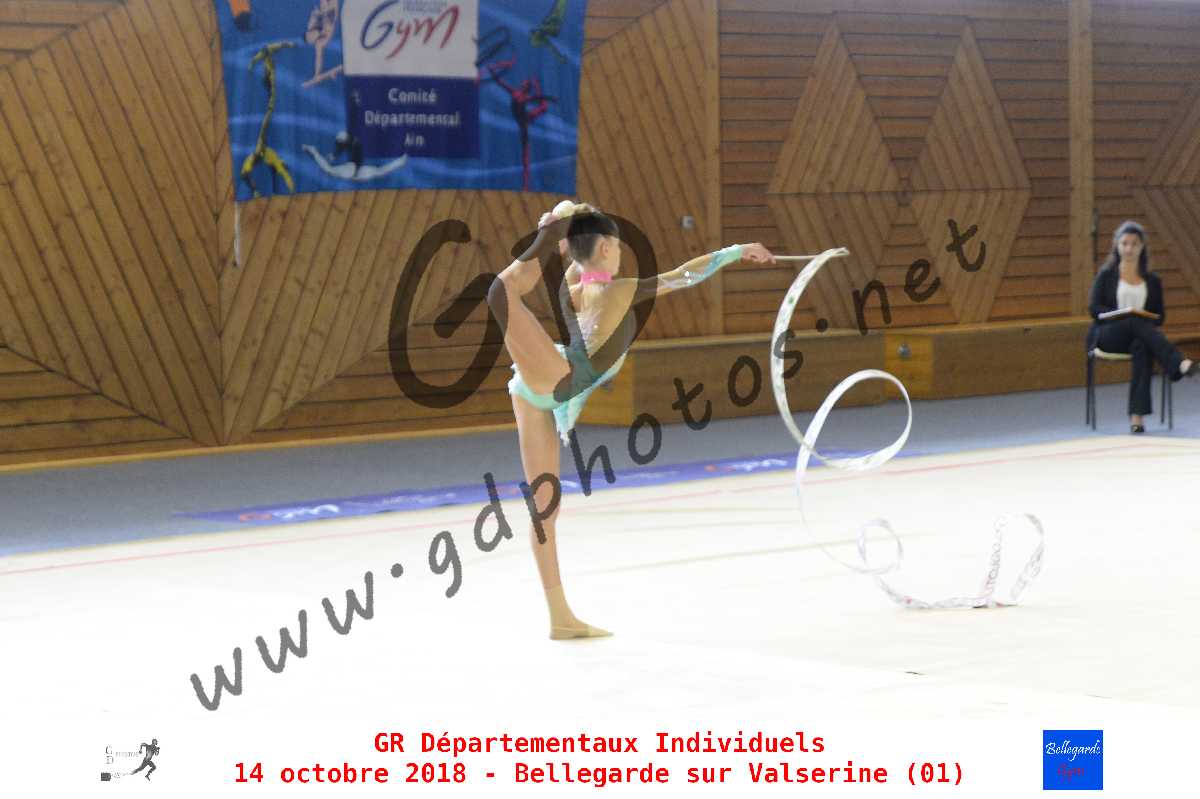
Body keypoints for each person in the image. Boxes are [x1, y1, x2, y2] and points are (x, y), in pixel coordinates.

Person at [486, 202, 775, 639]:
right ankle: (545, 236)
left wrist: (569, 227)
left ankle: (561, 618)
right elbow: (684, 275)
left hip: (537, 393)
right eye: (617, 245)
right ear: (604, 247)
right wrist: (736, 251)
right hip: (555, 378)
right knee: (500, 293)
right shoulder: (620, 291)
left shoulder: (575, 285)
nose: (621, 252)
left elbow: (582, 263)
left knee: (545, 509)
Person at [1086, 219, 1197, 433]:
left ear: (1142, 247)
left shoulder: (1152, 281)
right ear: (1117, 246)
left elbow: (1159, 317)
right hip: (1108, 335)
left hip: (1139, 336)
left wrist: (1145, 317)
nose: (1129, 249)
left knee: (1142, 345)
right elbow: (1094, 309)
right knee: (1133, 320)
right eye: (1124, 243)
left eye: (1134, 244)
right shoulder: (1106, 275)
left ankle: (1137, 418)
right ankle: (1178, 363)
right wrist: (1118, 315)